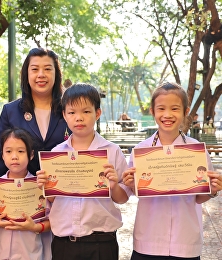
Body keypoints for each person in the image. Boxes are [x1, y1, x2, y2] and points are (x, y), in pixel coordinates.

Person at [122, 82, 222, 260]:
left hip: (185, 241)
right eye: (161, 108)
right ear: (152, 111)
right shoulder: (141, 151)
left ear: (185, 111)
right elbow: (139, 193)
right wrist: (132, 184)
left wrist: (213, 191)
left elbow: (199, 197)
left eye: (175, 108)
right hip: (148, 241)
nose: (167, 115)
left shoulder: (197, 151)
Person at [36, 83, 131, 260]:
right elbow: (52, 199)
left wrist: (113, 185)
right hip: (64, 243)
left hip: (102, 242)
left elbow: (122, 198)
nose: (79, 118)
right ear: (64, 115)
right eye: (72, 113)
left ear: (97, 113)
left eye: (86, 112)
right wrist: (46, 187)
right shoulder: (56, 154)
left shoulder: (112, 151)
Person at [0, 47, 70, 178]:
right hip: (24, 193)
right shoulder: (10, 111)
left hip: (64, 192)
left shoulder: (69, 110)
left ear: (57, 74)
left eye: (48, 69)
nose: (41, 74)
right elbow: (1, 159)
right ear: (26, 74)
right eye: (34, 69)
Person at [0, 127, 51, 260]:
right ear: (2, 155)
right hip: (1, 252)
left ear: (31, 155)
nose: (14, 156)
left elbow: (52, 221)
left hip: (31, 252)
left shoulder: (39, 186)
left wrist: (35, 226)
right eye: (8, 151)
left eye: (20, 151)